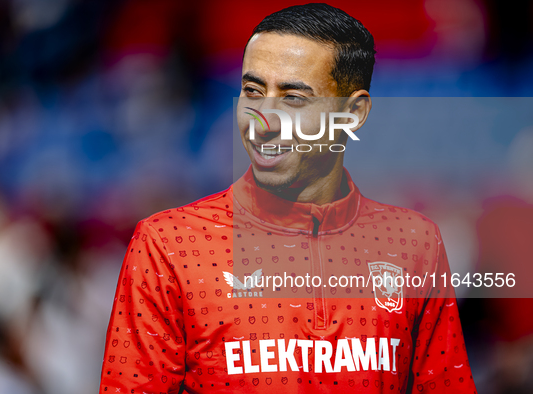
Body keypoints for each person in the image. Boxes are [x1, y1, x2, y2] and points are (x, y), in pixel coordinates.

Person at [99, 4, 477, 393]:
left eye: (293, 97)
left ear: (353, 113)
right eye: (253, 91)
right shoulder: (167, 245)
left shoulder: (414, 244)